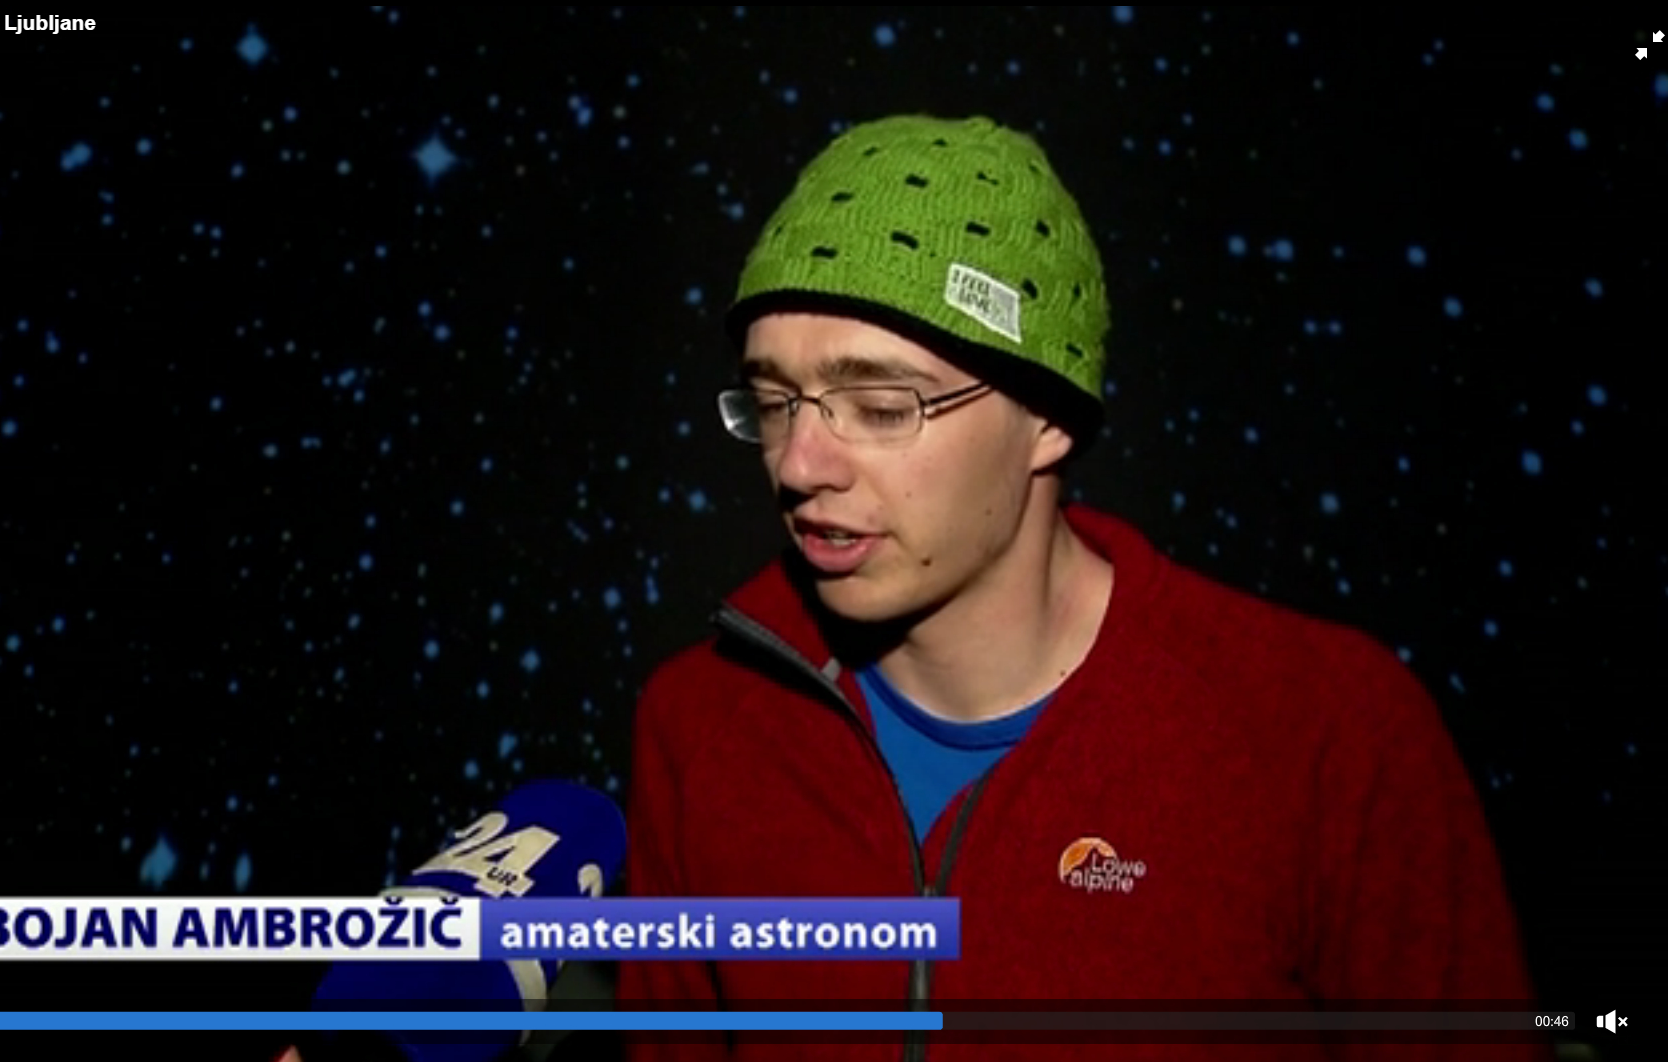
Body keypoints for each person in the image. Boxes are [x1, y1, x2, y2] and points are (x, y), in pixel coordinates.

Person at [616, 114, 1546, 1060]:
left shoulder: (1327, 735)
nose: (800, 463)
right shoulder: (698, 725)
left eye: (884, 406)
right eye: (774, 403)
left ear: (1048, 415)